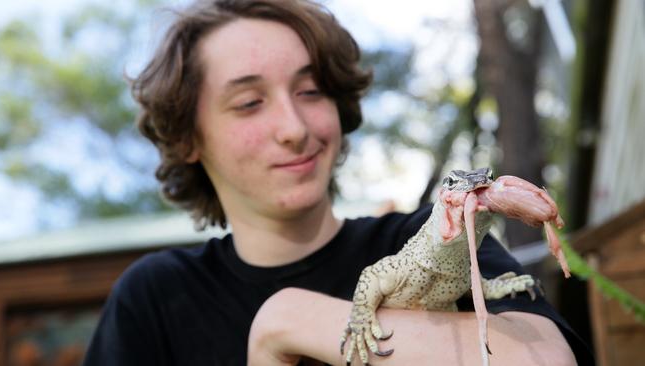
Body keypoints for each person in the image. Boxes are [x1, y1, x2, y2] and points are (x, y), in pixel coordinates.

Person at [82, 0, 593, 365]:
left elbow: (546, 358)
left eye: (310, 91)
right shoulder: (155, 297)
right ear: (189, 137)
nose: (294, 128)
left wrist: (288, 320)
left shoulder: (427, 235)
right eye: (249, 103)